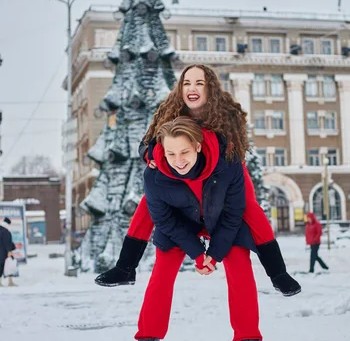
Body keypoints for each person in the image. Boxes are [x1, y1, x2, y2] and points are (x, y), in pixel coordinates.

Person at [96, 64, 301, 297]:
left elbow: (239, 144)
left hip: (226, 169)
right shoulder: (171, 111)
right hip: (183, 169)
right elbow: (149, 141)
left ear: (209, 88)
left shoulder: (227, 112)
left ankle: (278, 274)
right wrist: (148, 154)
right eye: (187, 83)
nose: (192, 88)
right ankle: (125, 267)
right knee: (147, 204)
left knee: (251, 209)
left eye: (199, 83)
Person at [135, 116, 279, 341]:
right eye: (170, 153)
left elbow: (235, 212)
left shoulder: (228, 163)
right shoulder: (154, 174)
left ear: (198, 146)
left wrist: (215, 254)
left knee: (242, 270)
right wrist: (197, 254)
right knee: (161, 276)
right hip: (178, 225)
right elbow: (164, 220)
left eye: (184, 152)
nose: (178, 160)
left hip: (220, 219)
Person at [0, 217, 17, 287]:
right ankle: (10, 282)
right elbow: (7, 242)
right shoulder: (6, 231)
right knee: (8, 266)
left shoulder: (1, 229)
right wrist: (9, 250)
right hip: (3, 252)